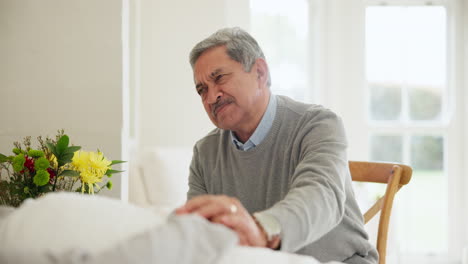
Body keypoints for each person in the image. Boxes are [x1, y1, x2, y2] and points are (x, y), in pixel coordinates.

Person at [175, 27, 378, 264]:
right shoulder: (205, 152)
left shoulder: (318, 124)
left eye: (219, 78)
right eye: (202, 90)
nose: (211, 98)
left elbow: (321, 195)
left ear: (260, 73)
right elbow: (199, 233)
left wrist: (263, 229)